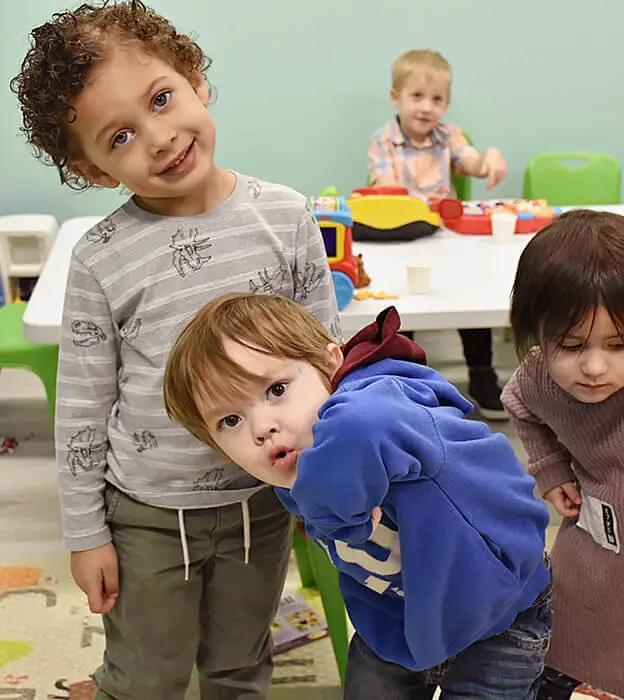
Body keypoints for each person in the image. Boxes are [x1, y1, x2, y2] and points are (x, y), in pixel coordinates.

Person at [11, 2, 340, 698]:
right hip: (149, 512)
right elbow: (81, 410)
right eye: (122, 135)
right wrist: (85, 535)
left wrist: (331, 479)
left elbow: (328, 360)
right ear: (93, 169)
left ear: (194, 77)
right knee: (147, 674)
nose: (159, 138)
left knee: (240, 664)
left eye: (162, 99)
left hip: (264, 498)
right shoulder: (101, 259)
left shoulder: (284, 216)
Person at [163, 292, 552, 700]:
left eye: (276, 389)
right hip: (401, 624)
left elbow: (364, 423)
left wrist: (334, 514)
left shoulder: (377, 406)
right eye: (230, 421)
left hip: (501, 616)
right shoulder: (293, 466)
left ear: (331, 364)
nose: (261, 426)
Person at [501, 209, 624, 700]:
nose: (593, 366)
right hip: (599, 550)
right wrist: (549, 469)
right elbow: (521, 408)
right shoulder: (537, 377)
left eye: (618, 344)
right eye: (569, 344)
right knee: (570, 635)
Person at [368, 48, 509, 420]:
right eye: (417, 96)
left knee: (469, 296)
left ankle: (481, 373)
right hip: (403, 236)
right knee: (405, 306)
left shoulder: (449, 136)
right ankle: (407, 377)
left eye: (437, 99)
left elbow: (473, 163)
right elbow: (383, 185)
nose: (427, 107)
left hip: (443, 236)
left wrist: (489, 157)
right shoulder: (383, 139)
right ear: (395, 97)